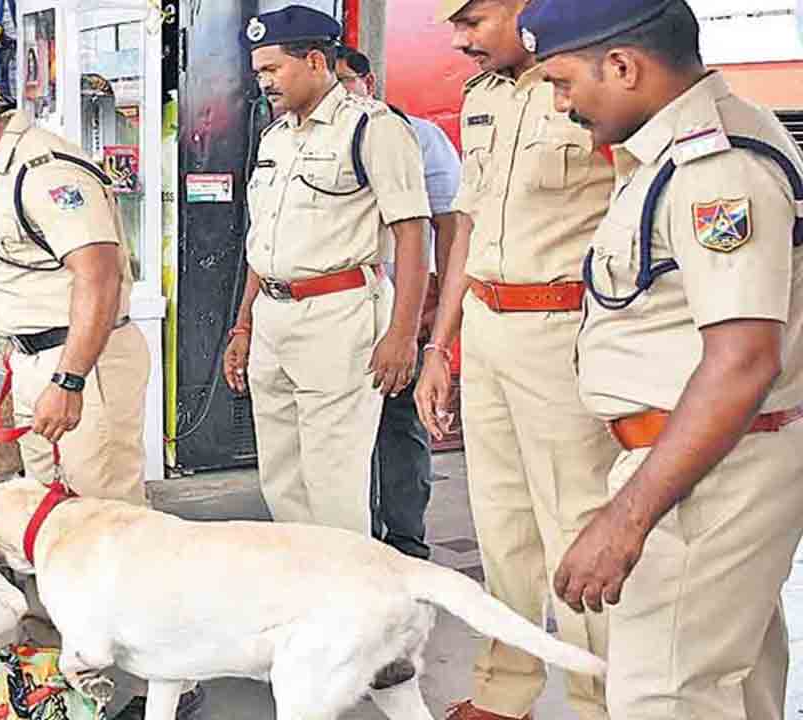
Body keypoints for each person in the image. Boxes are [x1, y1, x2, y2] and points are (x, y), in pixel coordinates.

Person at [0, 66, 203, 720]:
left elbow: (98, 277)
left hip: (82, 365)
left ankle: (170, 687)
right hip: (38, 364)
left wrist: (69, 380)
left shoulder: (45, 170)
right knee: (51, 529)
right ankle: (74, 678)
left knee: (111, 534)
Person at [525, 2, 803, 719]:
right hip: (708, 457)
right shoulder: (675, 153)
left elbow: (743, 360)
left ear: (622, 66)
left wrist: (626, 520)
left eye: (561, 82)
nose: (561, 105)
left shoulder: (717, 168)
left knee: (665, 695)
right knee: (733, 687)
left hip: (708, 472)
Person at [412, 2, 618, 719]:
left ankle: (602, 698)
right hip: (489, 327)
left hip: (566, 330)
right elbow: (465, 227)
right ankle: (507, 689)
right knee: (501, 526)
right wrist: (441, 345)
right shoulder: (484, 97)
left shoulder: (596, 78)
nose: (461, 39)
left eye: (473, 19)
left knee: (579, 525)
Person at [222, 6, 431, 537]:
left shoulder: (373, 128)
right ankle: (306, 597)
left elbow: (413, 233)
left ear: (315, 60)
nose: (263, 82)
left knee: (334, 483)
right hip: (273, 316)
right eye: (259, 72)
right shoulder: (275, 138)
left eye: (272, 69)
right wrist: (244, 324)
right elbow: (262, 243)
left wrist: (403, 335)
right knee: (281, 479)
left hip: (338, 317)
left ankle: (352, 607)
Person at [336, 44, 463, 559]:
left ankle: (406, 540)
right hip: (340, 308)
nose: (339, 92)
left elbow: (449, 226)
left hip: (404, 303)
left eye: (347, 80)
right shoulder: (302, 140)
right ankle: (357, 541)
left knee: (398, 422)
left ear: (368, 82)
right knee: (343, 429)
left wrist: (434, 323)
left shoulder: (418, 137)